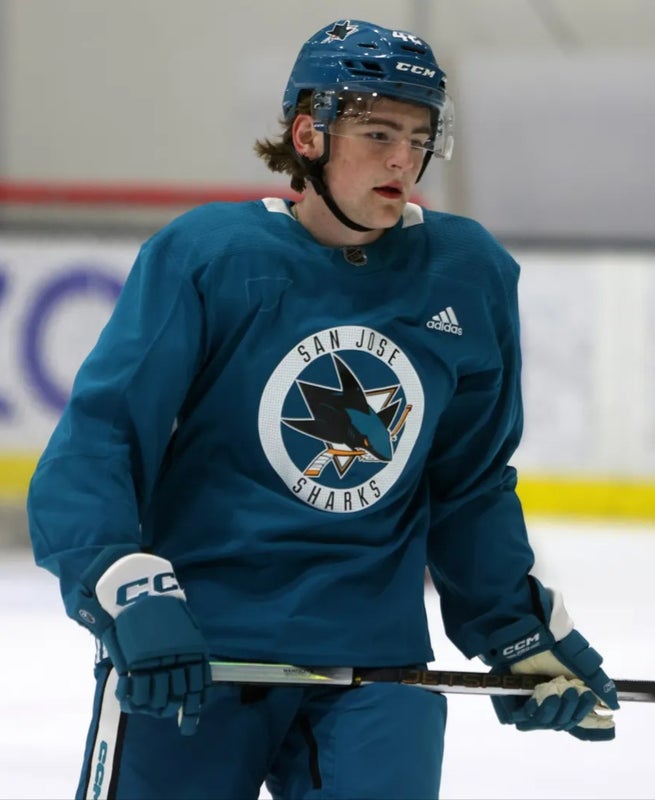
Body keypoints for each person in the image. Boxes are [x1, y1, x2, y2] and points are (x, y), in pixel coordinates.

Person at [26, 18, 618, 800]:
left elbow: (468, 484)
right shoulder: (209, 255)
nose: (403, 158)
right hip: (192, 652)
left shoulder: (465, 273)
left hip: (374, 664)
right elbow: (102, 438)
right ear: (308, 135)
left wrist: (515, 630)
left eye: (418, 137)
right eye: (378, 133)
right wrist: (123, 584)